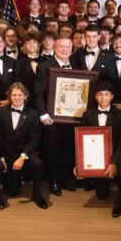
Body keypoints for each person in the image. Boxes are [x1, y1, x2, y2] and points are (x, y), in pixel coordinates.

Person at [0, 82, 48, 209]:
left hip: (25, 152)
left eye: (20, 95)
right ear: (9, 97)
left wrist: (22, 157)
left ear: (25, 97)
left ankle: (36, 195)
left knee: (38, 164)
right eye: (14, 95)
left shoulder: (33, 113)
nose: (17, 98)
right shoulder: (0, 112)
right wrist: (1, 157)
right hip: (6, 153)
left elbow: (35, 140)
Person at [33, 36, 77, 195]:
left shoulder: (76, 65)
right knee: (53, 151)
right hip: (52, 117)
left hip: (72, 117)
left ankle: (66, 179)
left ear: (72, 49)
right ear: (54, 48)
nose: (64, 50)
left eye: (67, 47)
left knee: (68, 149)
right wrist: (43, 114)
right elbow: (38, 93)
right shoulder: (44, 66)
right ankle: (53, 182)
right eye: (61, 47)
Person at [80, 82, 121, 217]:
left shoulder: (120, 115)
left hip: (118, 153)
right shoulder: (87, 115)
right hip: (97, 156)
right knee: (101, 195)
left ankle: (119, 202)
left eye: (107, 95)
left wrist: (113, 161)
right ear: (95, 97)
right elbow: (82, 141)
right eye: (100, 95)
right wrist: (79, 165)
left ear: (112, 97)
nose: (103, 98)